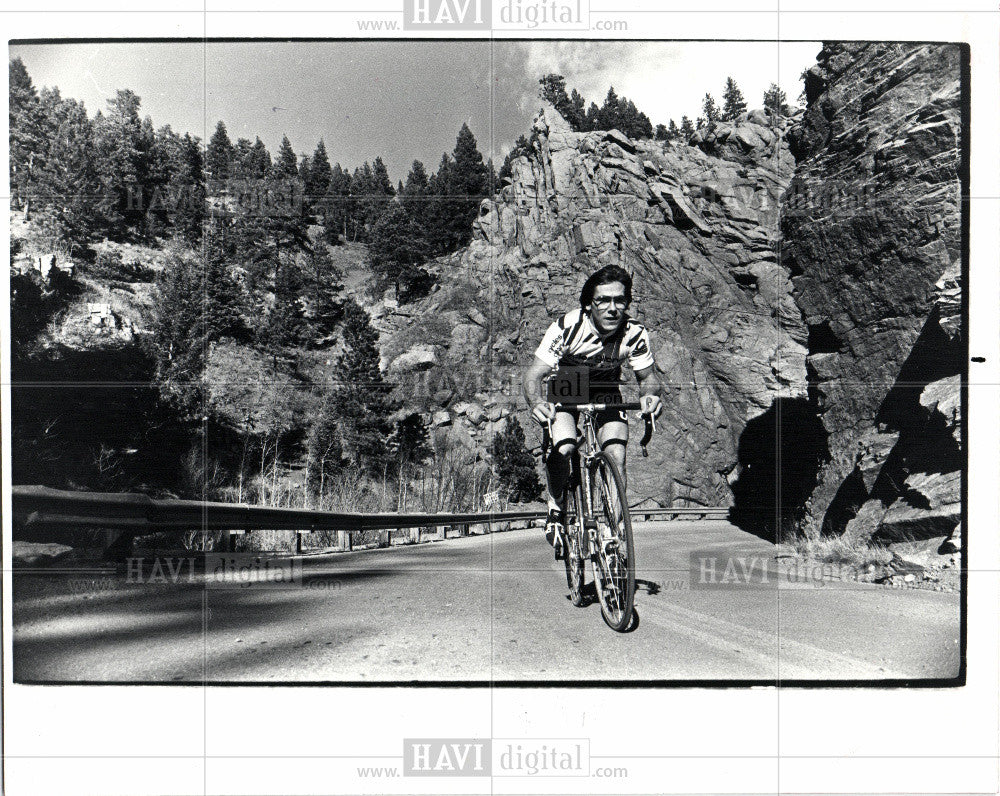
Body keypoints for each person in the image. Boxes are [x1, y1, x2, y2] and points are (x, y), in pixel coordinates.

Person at [521, 264, 663, 558]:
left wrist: (649, 397)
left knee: (616, 453)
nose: (613, 309)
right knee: (565, 447)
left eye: (620, 301)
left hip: (607, 387)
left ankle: (613, 535)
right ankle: (557, 505)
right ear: (589, 304)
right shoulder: (568, 326)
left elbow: (648, 378)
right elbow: (533, 375)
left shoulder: (634, 333)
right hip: (569, 384)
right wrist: (536, 403)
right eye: (603, 301)